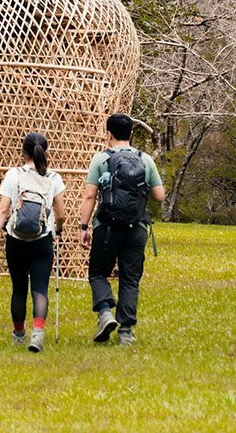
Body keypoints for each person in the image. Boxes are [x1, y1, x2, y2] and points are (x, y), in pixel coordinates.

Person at [79, 113, 165, 346]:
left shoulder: (101, 159)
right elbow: (160, 196)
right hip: (136, 227)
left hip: (106, 227)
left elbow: (89, 195)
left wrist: (84, 227)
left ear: (109, 134)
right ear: (131, 134)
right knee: (130, 278)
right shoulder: (145, 159)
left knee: (98, 273)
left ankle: (105, 312)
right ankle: (126, 331)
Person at [0, 131, 67, 352]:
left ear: (23, 152)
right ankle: (38, 334)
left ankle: (19, 334)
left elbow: (3, 209)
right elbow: (61, 214)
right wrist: (57, 230)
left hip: (16, 240)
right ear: (46, 151)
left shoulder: (13, 175)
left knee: (19, 288)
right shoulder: (53, 178)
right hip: (42, 240)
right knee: (40, 288)